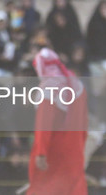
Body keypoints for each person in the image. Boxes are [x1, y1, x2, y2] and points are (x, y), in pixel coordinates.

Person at [28, 46, 87, 195]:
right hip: (75, 149)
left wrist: (41, 152)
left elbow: (44, 125)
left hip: (54, 152)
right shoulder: (77, 85)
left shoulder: (49, 89)